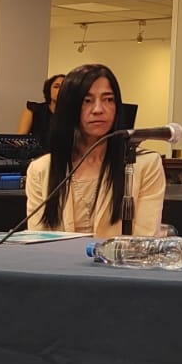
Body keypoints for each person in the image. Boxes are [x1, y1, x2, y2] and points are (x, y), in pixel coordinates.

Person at [24, 63, 165, 236]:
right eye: (87, 101)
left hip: (121, 255)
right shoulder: (41, 169)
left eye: (108, 100)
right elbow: (37, 241)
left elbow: (144, 240)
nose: (98, 110)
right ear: (69, 107)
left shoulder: (145, 165)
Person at [16, 73, 64, 146]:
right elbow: (20, 141)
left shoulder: (73, 114)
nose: (60, 90)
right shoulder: (33, 110)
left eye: (64, 87)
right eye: (56, 87)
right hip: (36, 152)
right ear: (49, 90)